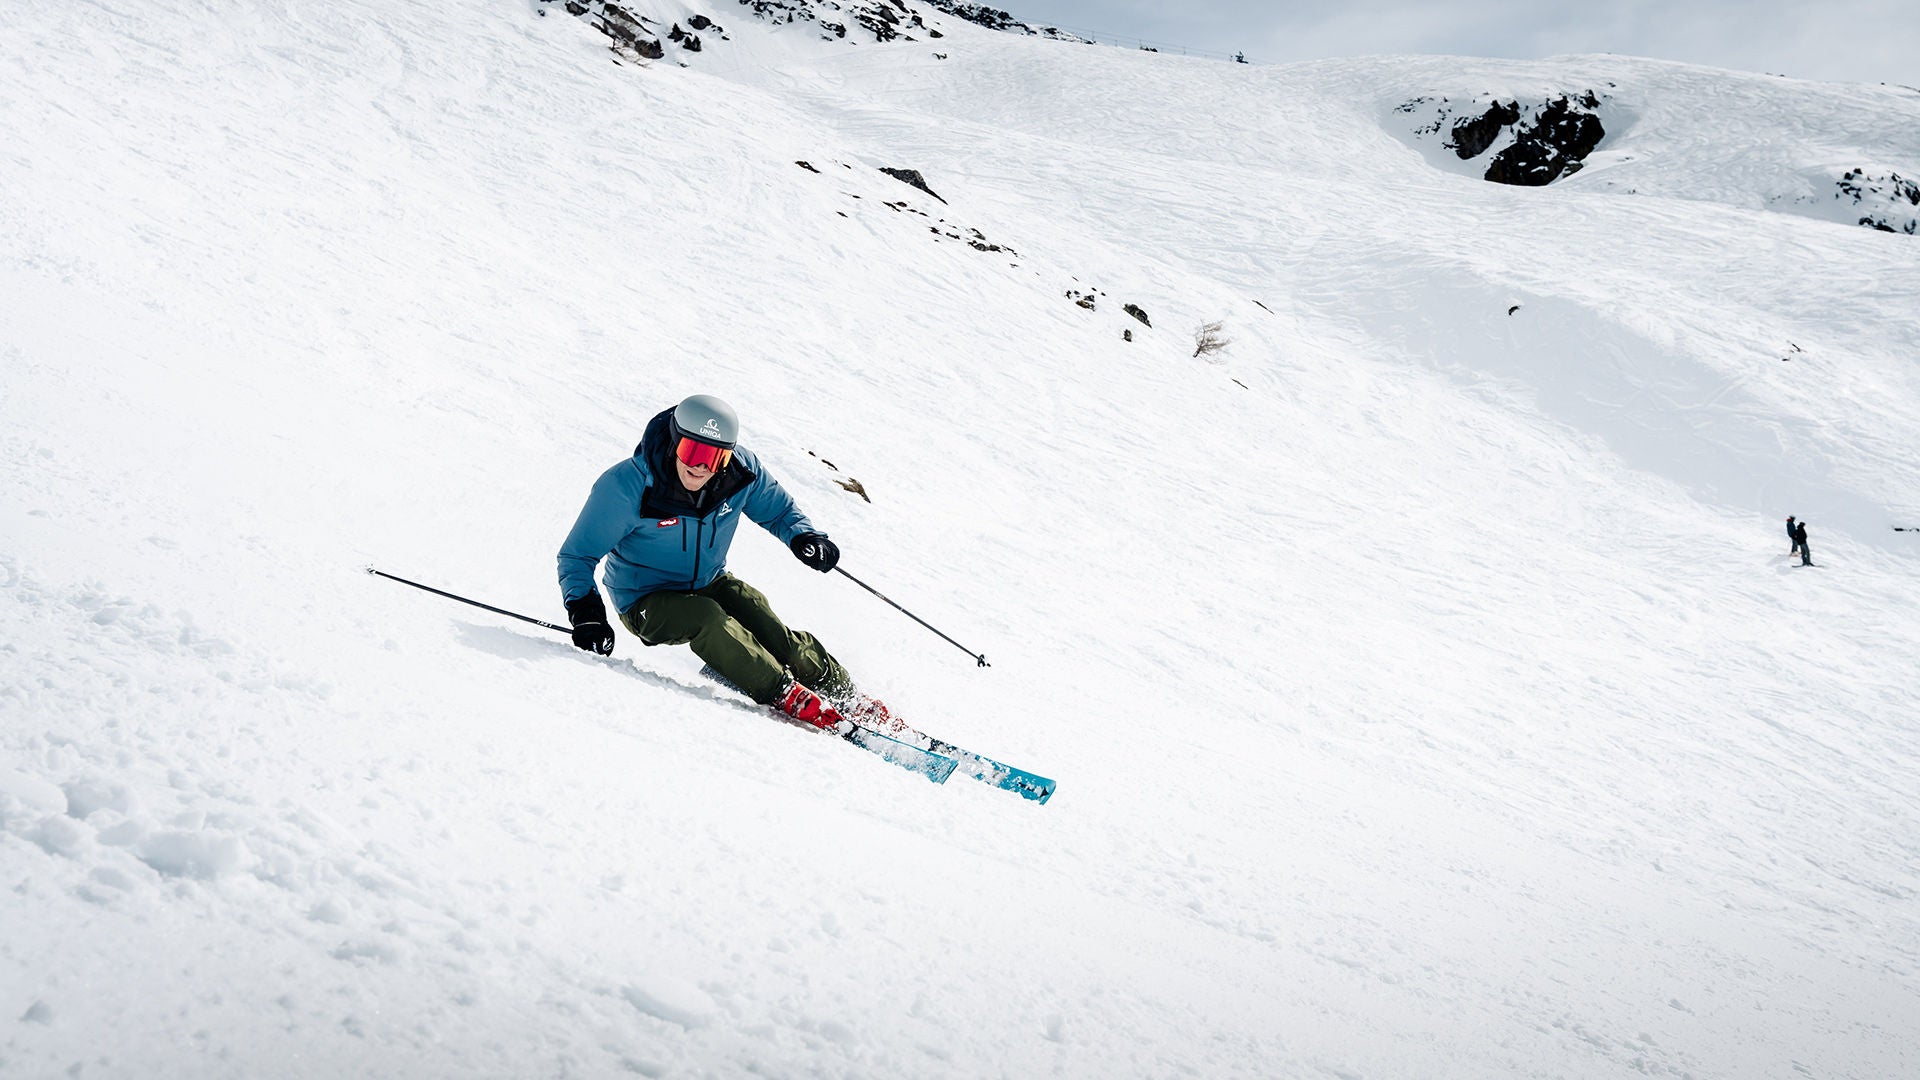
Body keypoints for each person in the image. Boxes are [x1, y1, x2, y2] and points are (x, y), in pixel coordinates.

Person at [556, 394, 864, 733]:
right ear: (675, 442)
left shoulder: (741, 473)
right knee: (708, 618)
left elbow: (778, 511)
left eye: (715, 457)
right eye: (693, 452)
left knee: (761, 617)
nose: (701, 467)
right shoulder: (626, 487)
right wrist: (586, 614)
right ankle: (785, 693)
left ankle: (844, 694)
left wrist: (805, 537)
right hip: (643, 599)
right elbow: (576, 556)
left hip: (709, 581)